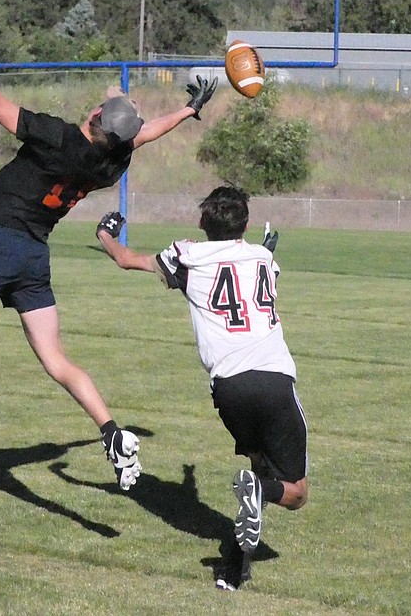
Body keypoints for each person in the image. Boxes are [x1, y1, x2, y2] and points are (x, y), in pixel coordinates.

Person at [0, 1, 216, 490]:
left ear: (93, 119)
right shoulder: (111, 163)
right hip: (34, 254)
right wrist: (189, 109)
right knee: (56, 360)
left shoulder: (58, 137)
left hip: (0, 243)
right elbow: (145, 134)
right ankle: (111, 432)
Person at [94, 186, 308, 591]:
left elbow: (124, 260)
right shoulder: (264, 258)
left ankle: (234, 569)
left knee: (260, 466)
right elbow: (256, 267)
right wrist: (263, 248)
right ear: (245, 223)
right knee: (295, 493)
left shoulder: (187, 256)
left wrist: (105, 234)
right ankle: (257, 498)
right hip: (274, 379)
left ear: (200, 223)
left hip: (228, 389)